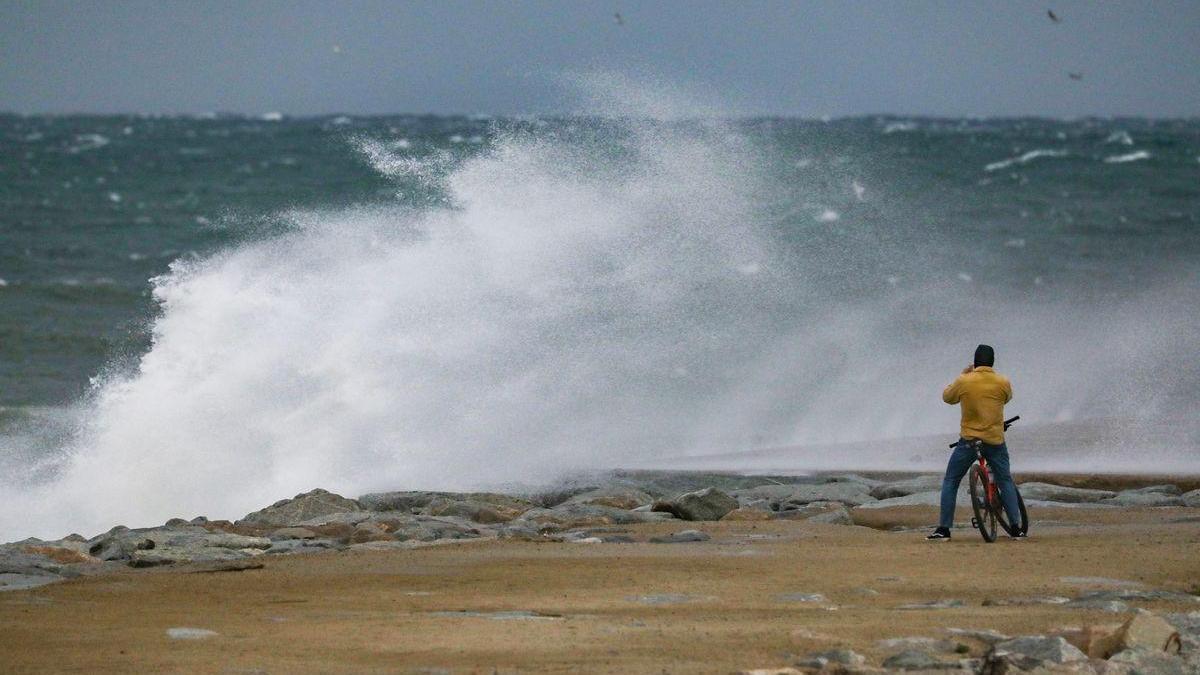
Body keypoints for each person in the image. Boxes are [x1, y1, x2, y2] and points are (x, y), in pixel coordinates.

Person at [927, 344, 1023, 540]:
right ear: (992, 362)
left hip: (969, 441)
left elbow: (947, 397)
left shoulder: (965, 380)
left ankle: (943, 529)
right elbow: (1006, 398)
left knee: (951, 481)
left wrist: (963, 375)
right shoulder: (1002, 381)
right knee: (1005, 480)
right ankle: (1017, 529)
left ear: (975, 362)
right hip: (995, 440)